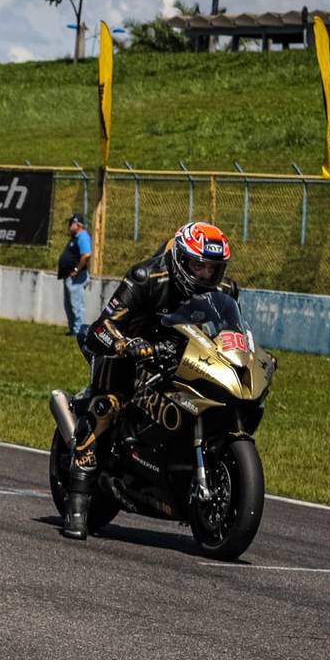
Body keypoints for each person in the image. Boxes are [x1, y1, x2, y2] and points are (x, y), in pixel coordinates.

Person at [61, 221, 237, 541]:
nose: (205, 276)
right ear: (182, 260)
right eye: (198, 266)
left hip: (179, 356)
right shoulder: (146, 277)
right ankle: (77, 502)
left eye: (213, 269)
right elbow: (102, 327)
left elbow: (230, 331)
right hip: (129, 352)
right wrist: (126, 345)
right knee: (107, 406)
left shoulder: (225, 291)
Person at [57, 213, 94, 341]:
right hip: (69, 276)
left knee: (76, 304)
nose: (69, 226)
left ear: (78, 225)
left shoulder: (82, 236)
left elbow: (86, 255)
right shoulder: (75, 237)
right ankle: (73, 329)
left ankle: (78, 332)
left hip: (76, 277)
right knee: (69, 304)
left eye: (71, 223)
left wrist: (77, 269)